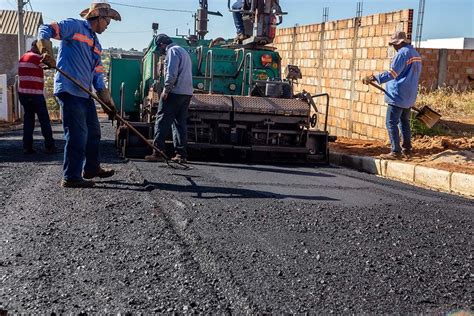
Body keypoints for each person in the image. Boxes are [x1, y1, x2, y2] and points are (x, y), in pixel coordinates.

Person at [37, 0, 120, 188]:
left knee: (94, 132)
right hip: (69, 89)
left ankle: (91, 168)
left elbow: (98, 75)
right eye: (108, 21)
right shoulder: (75, 26)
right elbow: (45, 29)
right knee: (77, 134)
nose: (108, 26)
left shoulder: (96, 44)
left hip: (84, 94)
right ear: (99, 17)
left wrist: (108, 102)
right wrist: (46, 51)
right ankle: (71, 176)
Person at [363, 31, 422, 160]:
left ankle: (396, 151)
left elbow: (392, 74)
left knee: (391, 122)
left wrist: (374, 77)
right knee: (404, 122)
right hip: (409, 94)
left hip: (398, 94)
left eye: (394, 44)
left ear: (399, 43)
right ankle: (407, 149)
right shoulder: (415, 54)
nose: (393, 47)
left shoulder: (402, 54)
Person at [144, 34, 193, 164]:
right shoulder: (183, 50)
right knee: (179, 123)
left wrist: (166, 90)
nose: (161, 50)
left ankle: (158, 152)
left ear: (161, 44)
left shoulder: (172, 51)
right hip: (186, 92)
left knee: (162, 120)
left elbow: (172, 73)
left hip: (175, 92)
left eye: (159, 47)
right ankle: (181, 155)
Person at [17, 40, 56, 154]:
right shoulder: (36, 58)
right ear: (35, 46)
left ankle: (27, 147)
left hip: (23, 94)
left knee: (29, 120)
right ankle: (50, 146)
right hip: (35, 94)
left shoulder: (23, 57)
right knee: (44, 120)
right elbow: (51, 64)